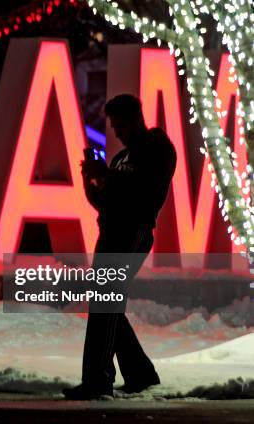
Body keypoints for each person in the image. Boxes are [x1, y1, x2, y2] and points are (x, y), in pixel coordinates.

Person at [63, 94, 177, 400]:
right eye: (113, 126)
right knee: (106, 303)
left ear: (135, 119)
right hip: (112, 234)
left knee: (104, 303)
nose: (116, 132)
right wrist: (91, 184)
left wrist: (106, 176)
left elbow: (145, 190)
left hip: (133, 233)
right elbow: (106, 203)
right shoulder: (120, 159)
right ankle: (139, 373)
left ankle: (98, 379)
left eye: (120, 125)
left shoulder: (157, 148)